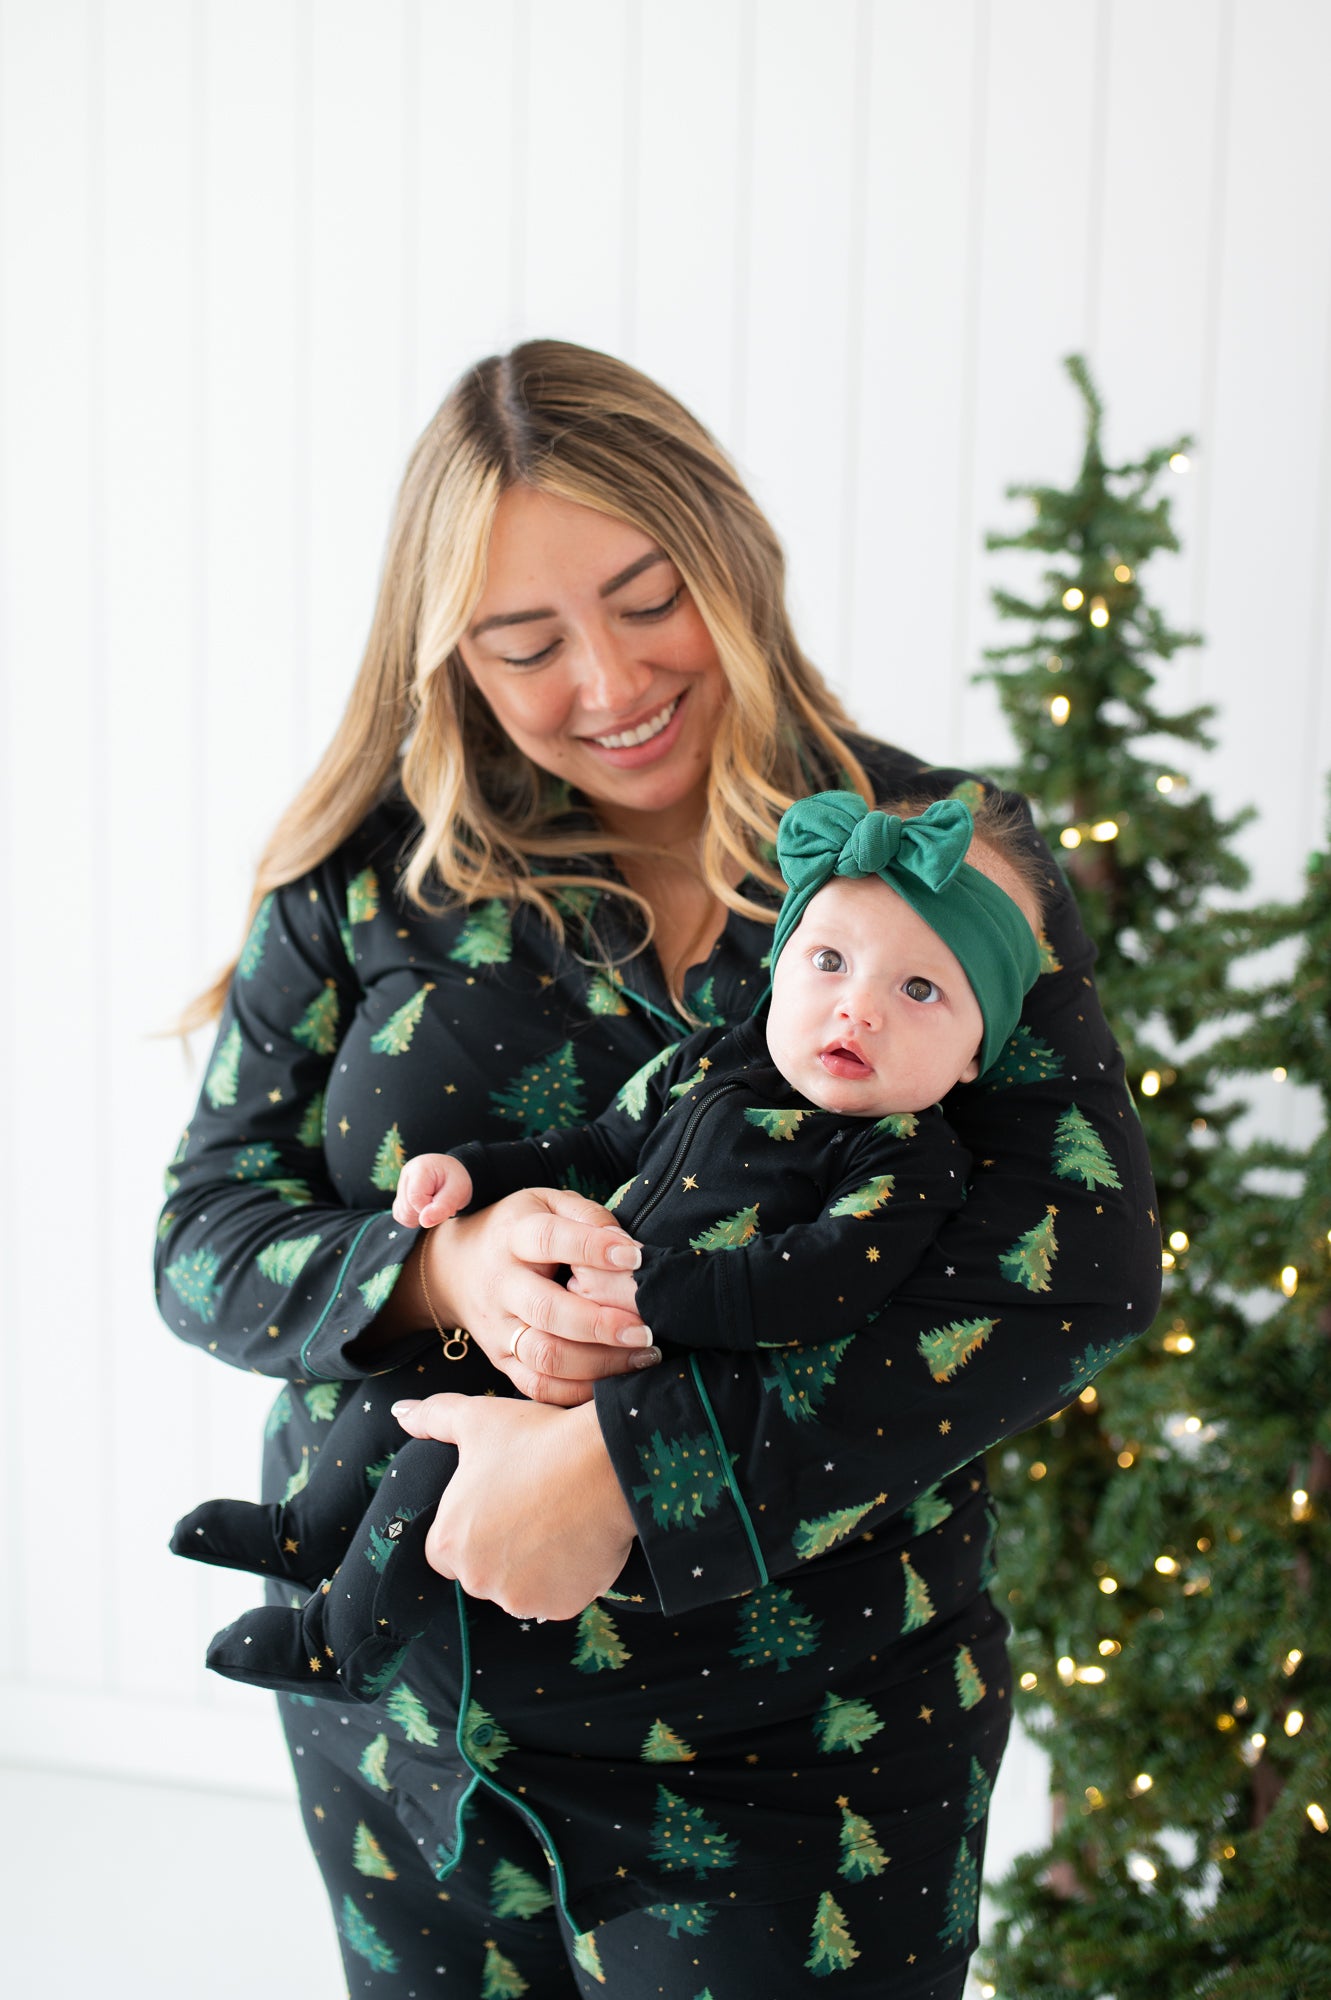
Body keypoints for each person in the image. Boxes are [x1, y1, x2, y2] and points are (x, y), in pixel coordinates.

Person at [155, 340, 1160, 1999]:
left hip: (806, 1755)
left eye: (647, 599)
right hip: (407, 1732)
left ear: (731, 558)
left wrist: (641, 1467)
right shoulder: (360, 885)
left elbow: (1077, 1259)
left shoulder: (943, 861)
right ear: (450, 654)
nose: (609, 683)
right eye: (526, 640)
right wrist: (435, 1272)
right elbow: (202, 1236)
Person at [170, 790, 1047, 1710]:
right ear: (783, 966)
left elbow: (814, 1285)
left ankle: (341, 1642)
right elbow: (590, 1149)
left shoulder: (904, 1158)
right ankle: (308, 1530)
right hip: (562, 1307)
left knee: (438, 1460)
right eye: (830, 961)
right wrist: (471, 1179)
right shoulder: (706, 1067)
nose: (857, 1009)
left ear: (970, 1058)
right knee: (407, 1387)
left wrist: (653, 1293)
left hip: (633, 1372)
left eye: (919, 990)